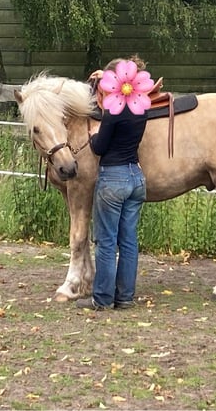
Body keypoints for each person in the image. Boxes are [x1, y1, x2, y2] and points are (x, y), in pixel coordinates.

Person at [76, 55, 154, 311]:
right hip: (136, 177)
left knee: (107, 241)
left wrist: (92, 135)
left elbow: (99, 147)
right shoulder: (142, 108)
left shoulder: (112, 112)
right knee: (129, 240)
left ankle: (103, 298)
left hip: (113, 178)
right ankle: (125, 297)